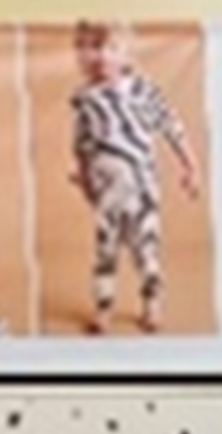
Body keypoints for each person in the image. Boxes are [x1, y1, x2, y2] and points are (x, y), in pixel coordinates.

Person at [69, 22, 199, 335]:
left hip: (142, 185)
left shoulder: (142, 90)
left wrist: (190, 165)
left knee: (146, 246)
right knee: (106, 247)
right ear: (80, 54)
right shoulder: (84, 99)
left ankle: (152, 303)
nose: (102, 57)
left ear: (127, 53)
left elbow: (171, 126)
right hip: (107, 189)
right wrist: (83, 176)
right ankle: (103, 308)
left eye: (112, 48)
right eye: (91, 48)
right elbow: (81, 143)